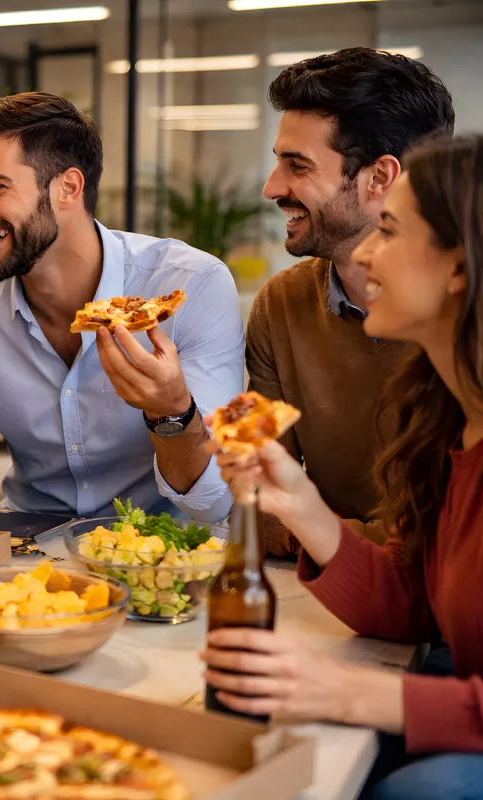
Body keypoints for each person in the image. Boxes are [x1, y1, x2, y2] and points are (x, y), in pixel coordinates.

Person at [204, 135, 483, 800]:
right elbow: (416, 607)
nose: (362, 253)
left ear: (459, 270)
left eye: (388, 230)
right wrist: (298, 501)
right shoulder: (447, 419)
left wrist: (350, 691)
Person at [0, 93, 243, 523]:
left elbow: (213, 501)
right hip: (28, 547)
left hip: (165, 551)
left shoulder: (190, 284)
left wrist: (172, 411)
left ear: (68, 188)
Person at [249, 48, 454, 556]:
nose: (271, 187)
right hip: (331, 594)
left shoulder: (462, 319)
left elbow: (439, 548)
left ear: (380, 178)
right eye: (278, 162)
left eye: (297, 165)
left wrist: (311, 532)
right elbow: (259, 500)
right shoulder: (283, 302)